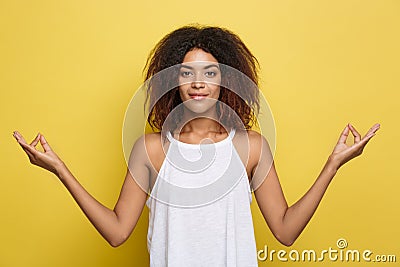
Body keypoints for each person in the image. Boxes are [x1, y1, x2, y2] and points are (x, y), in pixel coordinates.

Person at [13, 25, 380, 267]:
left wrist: (332, 166)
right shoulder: (151, 149)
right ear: (174, 81)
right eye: (187, 73)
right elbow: (116, 232)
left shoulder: (251, 147)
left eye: (210, 72)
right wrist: (60, 170)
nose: (198, 82)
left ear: (226, 81)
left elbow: (284, 231)